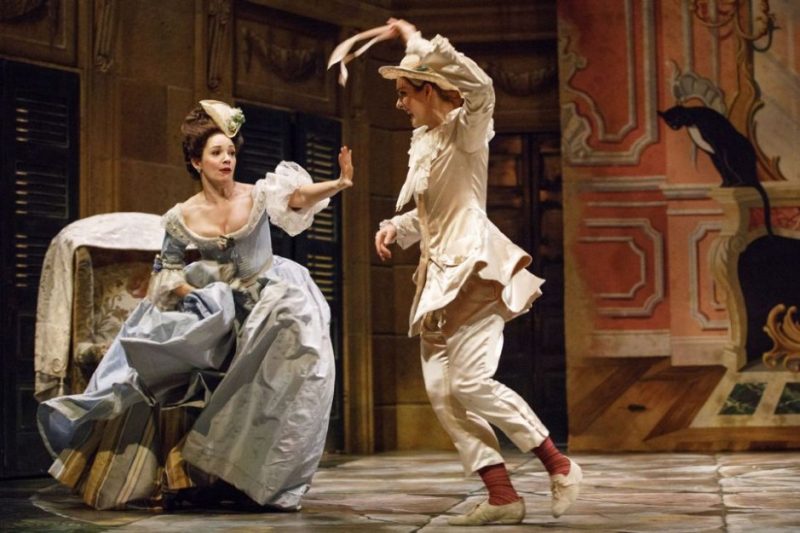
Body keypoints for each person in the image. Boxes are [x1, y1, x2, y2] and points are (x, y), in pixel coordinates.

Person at [37, 100, 353, 511]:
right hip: (216, 307)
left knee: (292, 315)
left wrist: (338, 182)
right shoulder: (181, 215)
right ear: (196, 161)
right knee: (154, 349)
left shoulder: (258, 195)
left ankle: (256, 476)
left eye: (231, 152)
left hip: (266, 298)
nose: (227, 159)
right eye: (217, 152)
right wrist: (197, 295)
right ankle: (186, 473)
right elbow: (167, 272)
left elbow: (296, 197)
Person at [373, 18, 583, 526]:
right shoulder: (424, 142)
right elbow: (435, 213)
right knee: (443, 392)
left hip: (473, 270)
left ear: (428, 89)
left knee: (469, 382)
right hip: (436, 279)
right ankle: (502, 495)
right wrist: (397, 227)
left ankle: (558, 464)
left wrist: (419, 44)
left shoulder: (466, 131)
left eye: (404, 92)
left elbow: (482, 87)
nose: (399, 103)